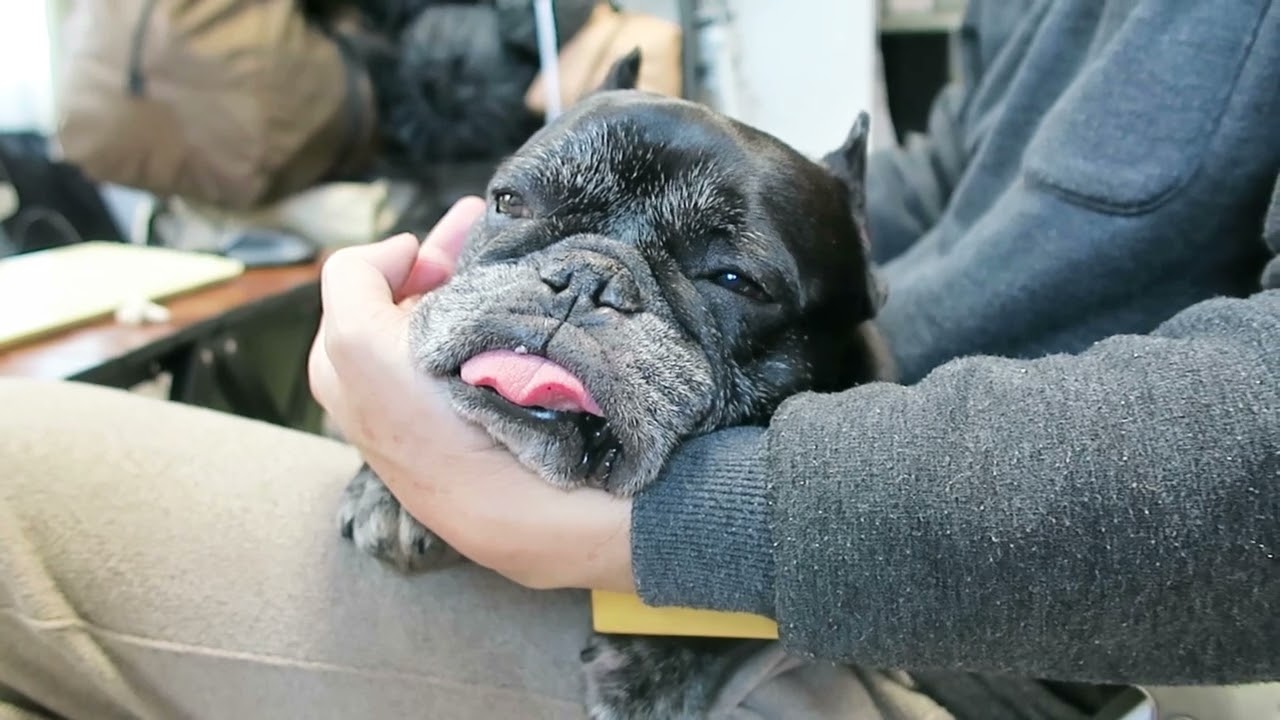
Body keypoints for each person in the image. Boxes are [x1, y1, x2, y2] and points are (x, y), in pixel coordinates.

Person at [2, 1, 1277, 719]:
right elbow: (945, 185)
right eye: (530, 212)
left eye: (727, 281)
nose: (580, 290)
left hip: (969, 632)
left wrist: (677, 532)